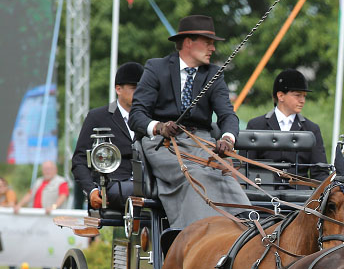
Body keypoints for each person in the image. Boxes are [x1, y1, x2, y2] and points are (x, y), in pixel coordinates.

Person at [128, 14, 247, 229]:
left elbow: (227, 115)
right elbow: (136, 115)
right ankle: (197, 232)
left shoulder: (214, 74)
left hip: (200, 141)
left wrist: (228, 138)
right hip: (160, 143)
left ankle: (244, 231)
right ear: (189, 42)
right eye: (208, 43)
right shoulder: (156, 68)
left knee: (225, 174)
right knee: (196, 173)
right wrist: (159, 127)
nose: (213, 48)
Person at [72, 62, 143, 209]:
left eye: (143, 89)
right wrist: (91, 190)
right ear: (118, 89)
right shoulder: (97, 117)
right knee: (130, 191)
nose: (140, 93)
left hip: (148, 182)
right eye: (134, 88)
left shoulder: (153, 118)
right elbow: (79, 160)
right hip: (112, 185)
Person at [244, 68, 327, 176]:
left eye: (304, 96)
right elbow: (245, 167)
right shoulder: (255, 125)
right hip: (263, 189)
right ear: (281, 96)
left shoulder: (312, 129)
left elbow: (320, 172)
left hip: (300, 190)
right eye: (298, 95)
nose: (302, 100)